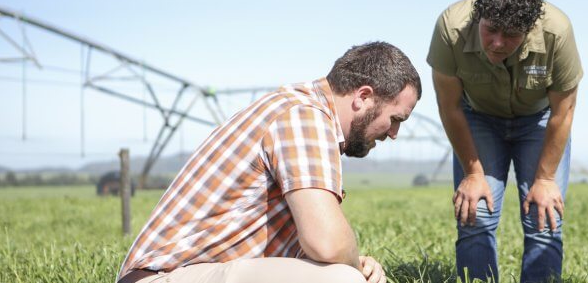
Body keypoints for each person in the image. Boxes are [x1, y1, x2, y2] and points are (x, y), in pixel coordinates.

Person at [116, 42, 421, 283]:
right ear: (363, 97)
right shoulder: (304, 116)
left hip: (193, 273)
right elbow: (326, 242)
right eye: (395, 119)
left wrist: (357, 262)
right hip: (161, 278)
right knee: (343, 280)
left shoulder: (299, 108)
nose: (394, 133)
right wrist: (355, 266)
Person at [427, 0, 583, 282]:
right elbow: (449, 106)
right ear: (479, 15)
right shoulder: (450, 26)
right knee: (476, 215)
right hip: (477, 118)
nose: (497, 43)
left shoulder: (558, 32)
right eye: (491, 29)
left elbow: (562, 113)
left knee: (544, 219)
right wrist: (473, 173)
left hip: (539, 122)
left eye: (511, 35)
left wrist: (545, 178)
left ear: (530, 26)